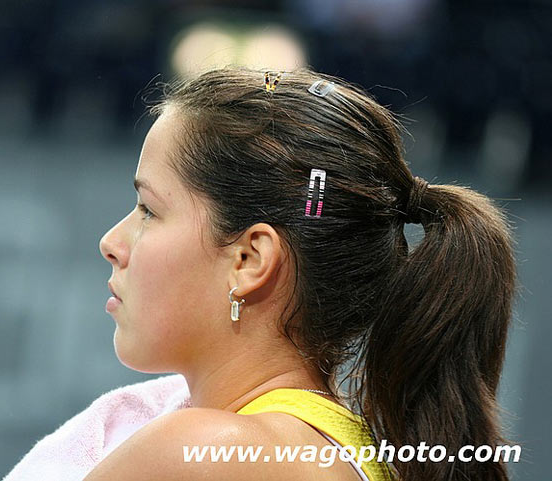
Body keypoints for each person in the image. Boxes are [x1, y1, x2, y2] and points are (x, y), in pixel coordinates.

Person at [92, 67, 517, 480]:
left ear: (250, 261)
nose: (111, 242)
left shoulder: (196, 455)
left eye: (149, 209)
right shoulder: (364, 458)